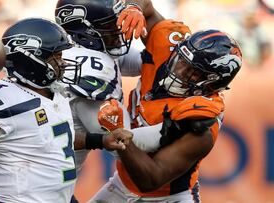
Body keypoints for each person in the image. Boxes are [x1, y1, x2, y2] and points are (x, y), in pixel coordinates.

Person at [0, 17, 129, 203]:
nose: (63, 62)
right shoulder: (6, 99)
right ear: (31, 59)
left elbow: (51, 137)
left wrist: (100, 140)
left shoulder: (55, 91)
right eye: (56, 56)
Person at [91, 0, 243, 202]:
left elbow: (151, 178)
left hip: (167, 197)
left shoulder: (201, 120)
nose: (178, 71)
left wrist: (117, 132)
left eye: (193, 73)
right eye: (181, 60)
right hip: (121, 184)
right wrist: (133, 7)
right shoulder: (167, 48)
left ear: (212, 82)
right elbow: (146, 4)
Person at [54, 0, 146, 174]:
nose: (118, 28)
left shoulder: (85, 50)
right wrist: (173, 129)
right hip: (38, 186)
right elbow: (124, 144)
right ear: (84, 31)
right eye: (110, 24)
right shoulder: (88, 69)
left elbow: (148, 61)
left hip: (48, 181)